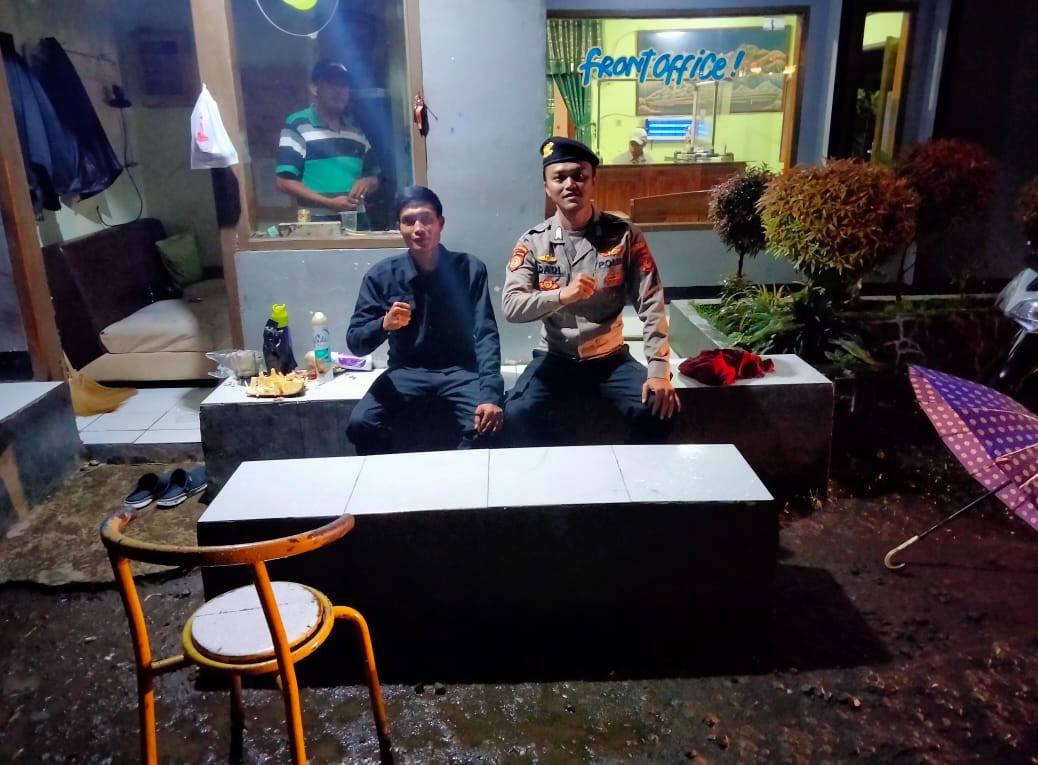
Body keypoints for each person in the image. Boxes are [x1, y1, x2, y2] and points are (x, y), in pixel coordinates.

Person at [501, 136, 680, 447]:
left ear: (593, 181)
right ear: (547, 187)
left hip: (610, 358)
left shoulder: (624, 236)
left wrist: (658, 370)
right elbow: (511, 306)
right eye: (559, 177)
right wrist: (561, 296)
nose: (570, 184)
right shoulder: (533, 242)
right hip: (555, 357)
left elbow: (651, 303)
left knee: (659, 408)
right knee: (516, 414)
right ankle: (554, 473)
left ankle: (631, 475)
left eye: (579, 175)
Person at [345, 185, 504, 454]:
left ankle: (458, 477)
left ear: (440, 223)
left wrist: (490, 394)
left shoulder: (470, 269)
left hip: (460, 370)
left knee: (486, 426)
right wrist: (384, 325)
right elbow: (355, 343)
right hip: (407, 371)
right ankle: (393, 476)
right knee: (361, 424)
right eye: (409, 221)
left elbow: (485, 334)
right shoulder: (381, 275)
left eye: (426, 219)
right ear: (399, 227)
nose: (419, 228)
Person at [275, 59, 380, 219]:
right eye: (332, 83)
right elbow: (284, 182)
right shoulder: (298, 124)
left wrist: (367, 182)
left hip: (357, 224)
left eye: (344, 85)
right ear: (314, 88)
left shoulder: (355, 129)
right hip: (317, 225)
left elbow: (374, 178)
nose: (339, 90)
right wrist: (329, 203)